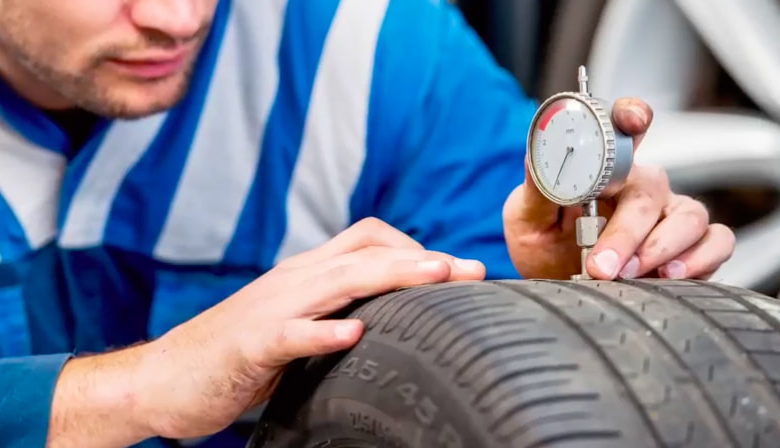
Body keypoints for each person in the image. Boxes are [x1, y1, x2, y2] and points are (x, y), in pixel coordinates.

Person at [0, 0, 735, 446]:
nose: (179, 19)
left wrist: (564, 297)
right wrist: (139, 387)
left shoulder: (365, 45)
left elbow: (504, 368)